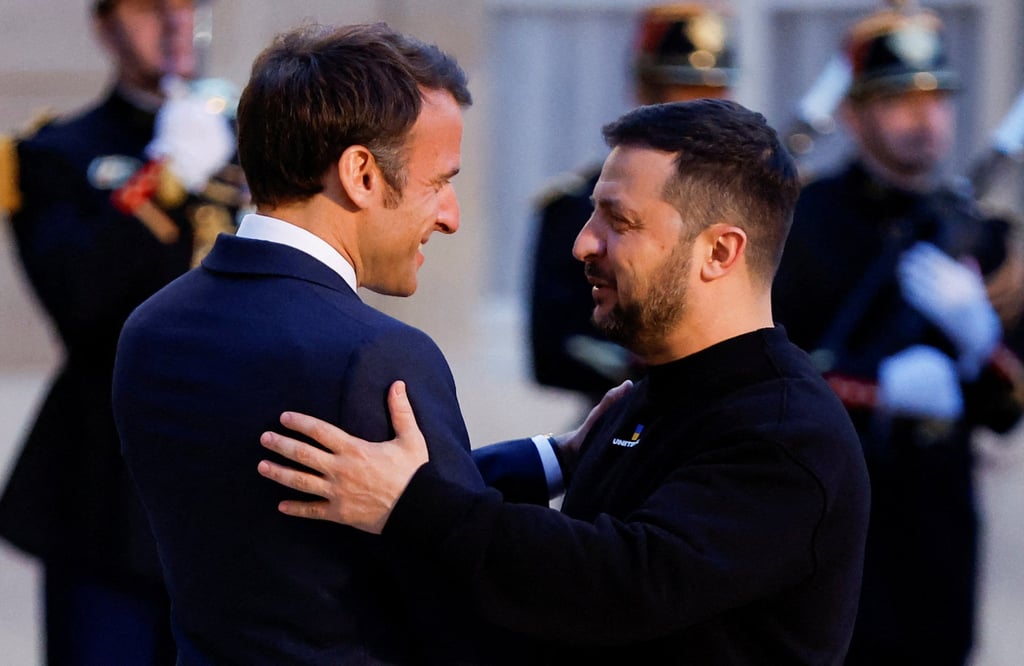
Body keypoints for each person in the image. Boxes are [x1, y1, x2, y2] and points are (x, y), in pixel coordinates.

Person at [257, 99, 872, 665]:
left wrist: (412, 504)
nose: (583, 244)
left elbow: (617, 583)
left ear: (719, 253)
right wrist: (553, 459)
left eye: (620, 222)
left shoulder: (787, 434)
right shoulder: (654, 399)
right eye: (591, 216)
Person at [111, 21, 541, 665]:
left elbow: (338, 504)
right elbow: (459, 588)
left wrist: (553, 456)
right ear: (362, 174)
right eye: (438, 182)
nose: (451, 215)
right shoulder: (376, 354)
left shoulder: (152, 327)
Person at [771, 7, 1024, 665]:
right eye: (898, 100)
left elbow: (1008, 407)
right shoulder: (802, 227)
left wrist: (980, 341)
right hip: (827, 527)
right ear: (853, 116)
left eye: (936, 97)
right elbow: (766, 376)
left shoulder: (984, 236)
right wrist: (874, 389)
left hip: (937, 536)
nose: (925, 117)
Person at [0, 0, 237, 663]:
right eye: (150, 7)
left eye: (189, 6)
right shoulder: (55, 150)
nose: (175, 22)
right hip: (107, 497)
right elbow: (77, 298)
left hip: (232, 479)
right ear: (104, 26)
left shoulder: (257, 146)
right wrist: (165, 178)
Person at [529, 1, 738, 405]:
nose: (698, 113)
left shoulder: (747, 202)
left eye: (712, 93)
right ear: (644, 94)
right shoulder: (576, 206)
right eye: (682, 92)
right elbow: (554, 350)